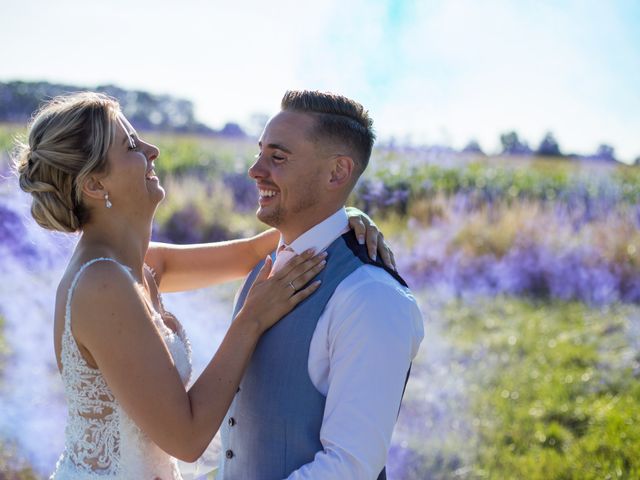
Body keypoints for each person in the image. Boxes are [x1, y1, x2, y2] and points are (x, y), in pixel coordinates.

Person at [13, 92, 392, 479]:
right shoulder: (102, 284)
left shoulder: (141, 266)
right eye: (130, 145)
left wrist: (346, 213)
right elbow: (187, 439)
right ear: (95, 184)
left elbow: (250, 253)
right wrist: (250, 320)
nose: (153, 149)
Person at [219, 90, 425, 479]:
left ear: (337, 173)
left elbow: (350, 467)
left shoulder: (372, 298)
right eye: (260, 152)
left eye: (277, 158)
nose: (255, 170)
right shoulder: (264, 269)